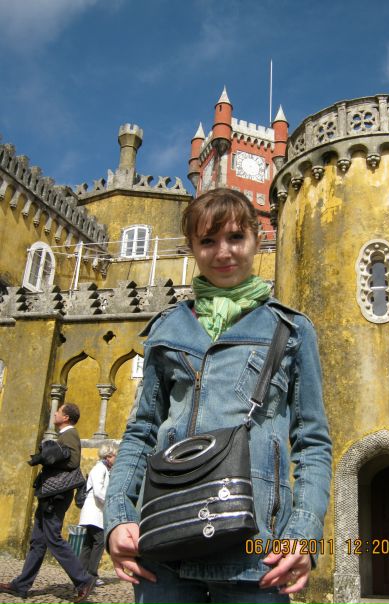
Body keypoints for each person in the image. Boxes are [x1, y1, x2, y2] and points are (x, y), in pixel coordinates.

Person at [104, 188, 332, 604]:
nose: (223, 252)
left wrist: (303, 532)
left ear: (258, 239)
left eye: (236, 237)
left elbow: (312, 442)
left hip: (256, 551)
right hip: (165, 544)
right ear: (192, 247)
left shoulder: (291, 330)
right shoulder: (167, 329)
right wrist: (117, 517)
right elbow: (141, 432)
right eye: (208, 240)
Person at [0, 403, 96, 603]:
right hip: (51, 495)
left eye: (59, 411)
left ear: (66, 417)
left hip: (56, 496)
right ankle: (21, 585)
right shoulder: (64, 435)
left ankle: (84, 580)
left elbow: (73, 462)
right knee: (38, 541)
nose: (55, 413)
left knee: (53, 538)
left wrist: (49, 455)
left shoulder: (70, 434)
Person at [79, 443, 118, 585]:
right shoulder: (99, 469)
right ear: (108, 456)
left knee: (89, 543)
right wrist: (110, 502)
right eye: (115, 456)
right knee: (99, 541)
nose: (116, 459)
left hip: (95, 513)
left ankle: (81, 574)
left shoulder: (105, 469)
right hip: (94, 512)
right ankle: (91, 575)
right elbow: (98, 491)